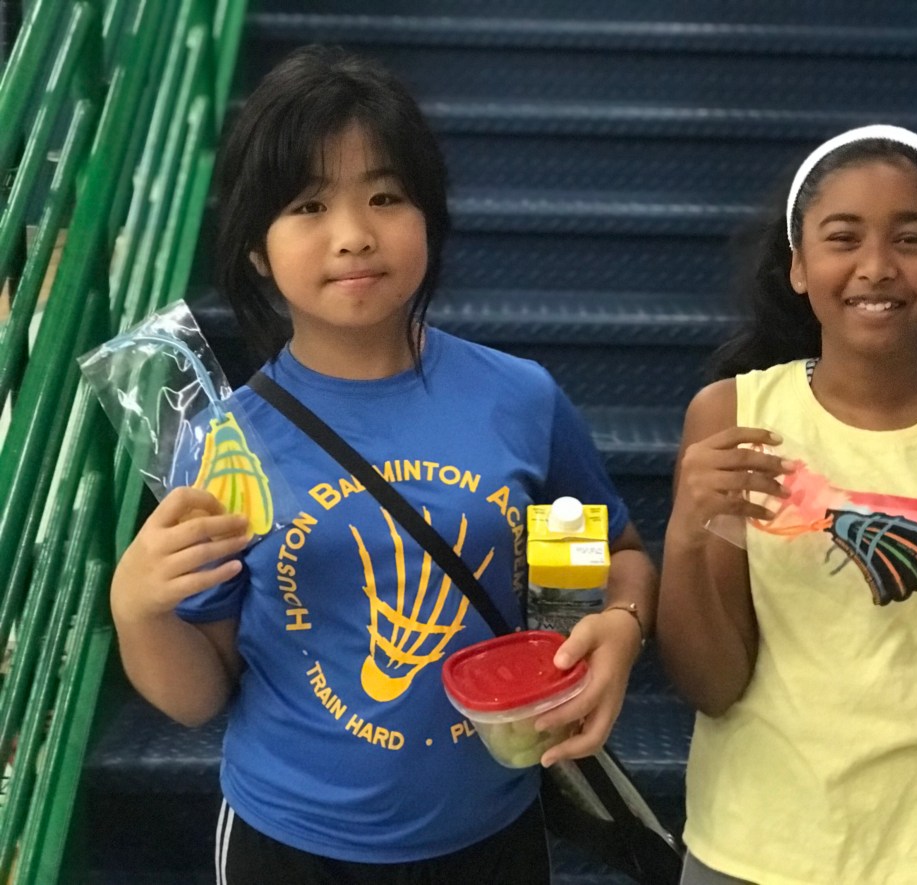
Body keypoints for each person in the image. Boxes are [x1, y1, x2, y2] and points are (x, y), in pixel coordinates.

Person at [109, 45, 657, 885]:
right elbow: (201, 693)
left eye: (386, 196)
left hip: (492, 829)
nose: (354, 235)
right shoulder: (224, 443)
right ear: (255, 248)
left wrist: (619, 623)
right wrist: (138, 608)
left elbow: (603, 556)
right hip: (289, 841)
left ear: (428, 217)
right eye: (308, 205)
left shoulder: (519, 399)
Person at [658, 124, 917, 885]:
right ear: (798, 264)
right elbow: (713, 683)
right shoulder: (734, 418)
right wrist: (683, 539)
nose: (876, 266)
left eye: (911, 239)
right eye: (843, 238)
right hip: (748, 847)